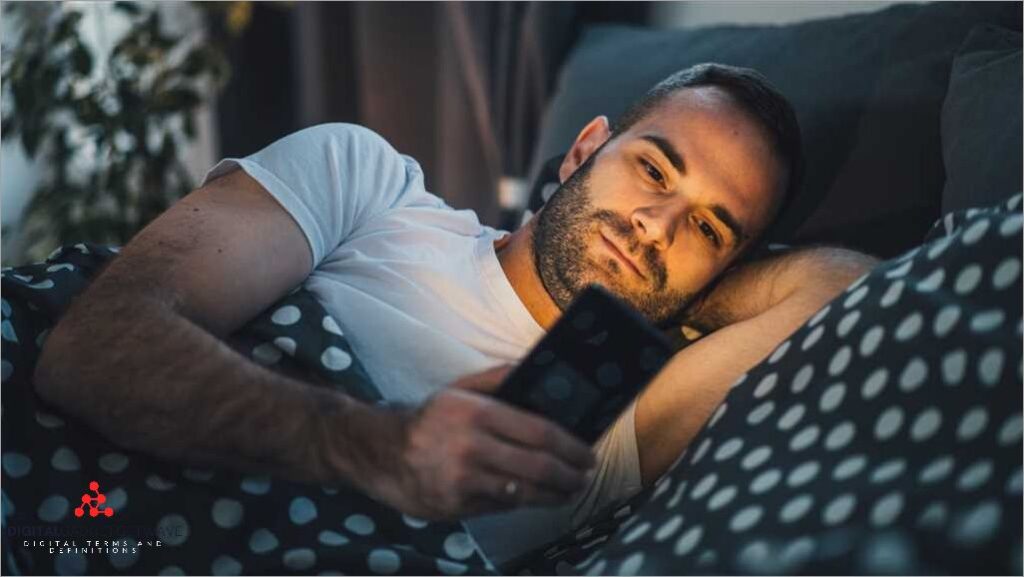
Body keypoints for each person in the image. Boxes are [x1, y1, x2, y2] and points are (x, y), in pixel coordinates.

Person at [33, 63, 878, 565]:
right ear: (584, 150)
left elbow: (846, 288)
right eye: (654, 170)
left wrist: (682, 283)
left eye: (709, 227)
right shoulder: (371, 186)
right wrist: (379, 446)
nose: (656, 228)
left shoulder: (619, 426)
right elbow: (95, 346)